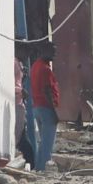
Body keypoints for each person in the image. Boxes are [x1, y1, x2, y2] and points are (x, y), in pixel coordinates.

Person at [29, 42, 60, 172]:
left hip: (37, 106)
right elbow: (47, 90)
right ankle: (44, 168)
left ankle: (39, 168)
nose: (54, 53)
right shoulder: (46, 69)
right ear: (44, 51)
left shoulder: (35, 65)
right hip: (46, 107)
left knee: (43, 140)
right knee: (47, 142)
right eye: (52, 51)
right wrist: (54, 112)